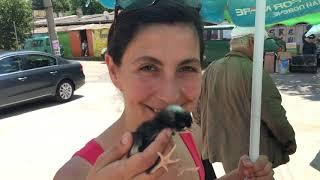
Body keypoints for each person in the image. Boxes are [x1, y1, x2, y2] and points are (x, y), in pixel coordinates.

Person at [54, 1, 274, 180]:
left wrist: (240, 177)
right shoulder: (76, 175)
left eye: (187, 68)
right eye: (148, 67)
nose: (170, 96)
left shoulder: (191, 134)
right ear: (113, 71)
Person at [194, 26, 297, 173]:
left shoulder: (211, 69)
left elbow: (198, 113)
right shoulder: (254, 71)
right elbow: (274, 115)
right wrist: (289, 142)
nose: (263, 51)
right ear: (251, 42)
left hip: (224, 153)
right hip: (253, 158)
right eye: (262, 44)